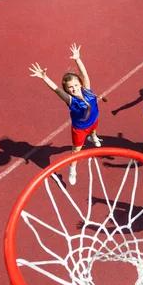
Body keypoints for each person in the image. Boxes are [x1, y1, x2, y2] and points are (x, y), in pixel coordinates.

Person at [29, 43, 102, 185]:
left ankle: (93, 137)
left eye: (75, 85)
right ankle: (72, 169)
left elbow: (84, 74)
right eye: (70, 88)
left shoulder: (87, 89)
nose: (73, 89)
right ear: (67, 90)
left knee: (94, 131)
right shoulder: (71, 100)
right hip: (80, 128)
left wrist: (77, 59)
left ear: (80, 84)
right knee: (76, 150)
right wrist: (44, 77)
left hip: (94, 119)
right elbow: (56, 90)